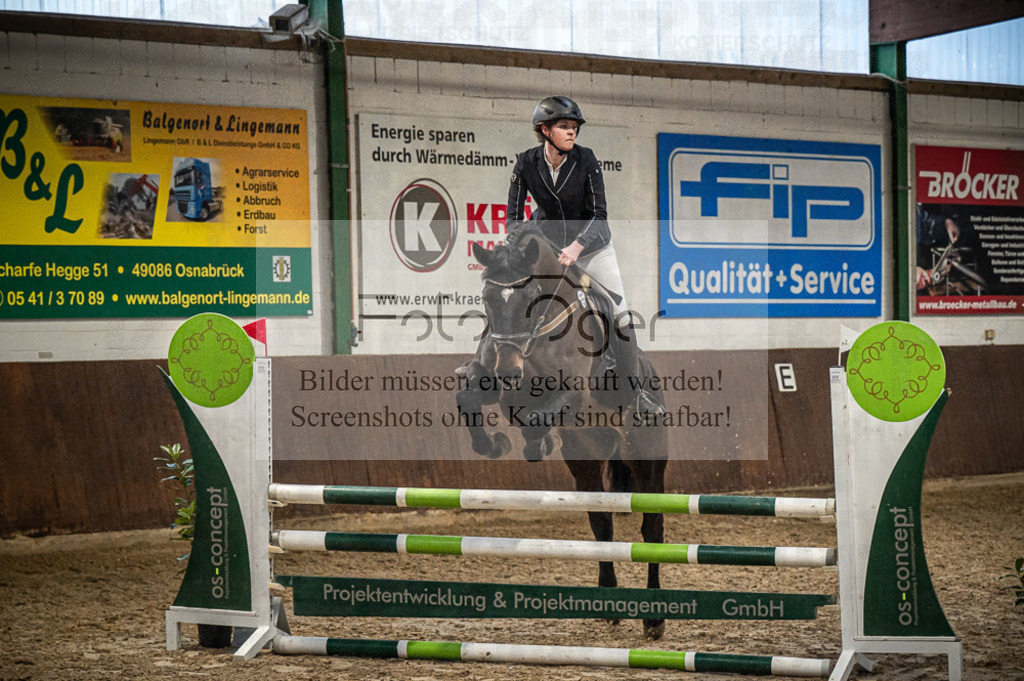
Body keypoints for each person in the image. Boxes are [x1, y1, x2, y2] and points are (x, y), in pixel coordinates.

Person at [466, 95, 662, 415]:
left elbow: (599, 215)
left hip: (594, 248)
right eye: (564, 126)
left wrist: (577, 247)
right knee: (511, 295)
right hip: (550, 248)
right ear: (545, 130)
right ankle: (480, 365)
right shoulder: (526, 162)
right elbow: (513, 218)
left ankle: (637, 391)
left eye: (574, 127)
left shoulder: (587, 160)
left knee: (619, 312)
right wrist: (519, 244)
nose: (572, 132)